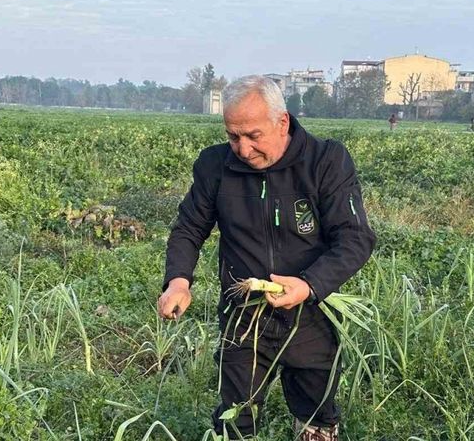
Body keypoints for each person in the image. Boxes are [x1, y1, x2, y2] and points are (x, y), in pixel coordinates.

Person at [157, 76, 376, 440]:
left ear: (282, 122)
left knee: (316, 416)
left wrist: (309, 285)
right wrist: (178, 280)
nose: (242, 149)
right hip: (244, 315)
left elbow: (355, 238)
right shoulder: (215, 166)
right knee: (235, 417)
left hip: (311, 313)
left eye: (253, 136)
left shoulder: (325, 162)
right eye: (233, 136)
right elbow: (188, 228)